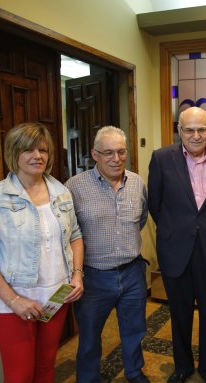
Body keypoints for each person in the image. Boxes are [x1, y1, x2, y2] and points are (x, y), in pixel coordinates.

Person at [0, 122, 84, 383]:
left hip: (56, 296)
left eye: (42, 149)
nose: (37, 156)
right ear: (14, 153)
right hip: (14, 301)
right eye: (28, 150)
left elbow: (75, 236)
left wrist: (76, 275)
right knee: (18, 375)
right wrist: (14, 300)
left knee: (45, 367)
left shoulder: (61, 192)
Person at [148, 107, 206, 383]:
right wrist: (176, 230)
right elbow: (155, 204)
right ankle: (183, 366)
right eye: (189, 130)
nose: (196, 135)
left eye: (202, 129)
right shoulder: (162, 158)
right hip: (177, 251)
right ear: (179, 130)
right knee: (179, 314)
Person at [65, 126, 150, 383]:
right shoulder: (74, 187)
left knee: (135, 331)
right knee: (90, 336)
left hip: (133, 271)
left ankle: (134, 373)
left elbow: (142, 219)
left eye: (122, 152)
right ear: (95, 154)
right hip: (93, 277)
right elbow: (68, 232)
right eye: (109, 152)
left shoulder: (137, 183)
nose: (117, 158)